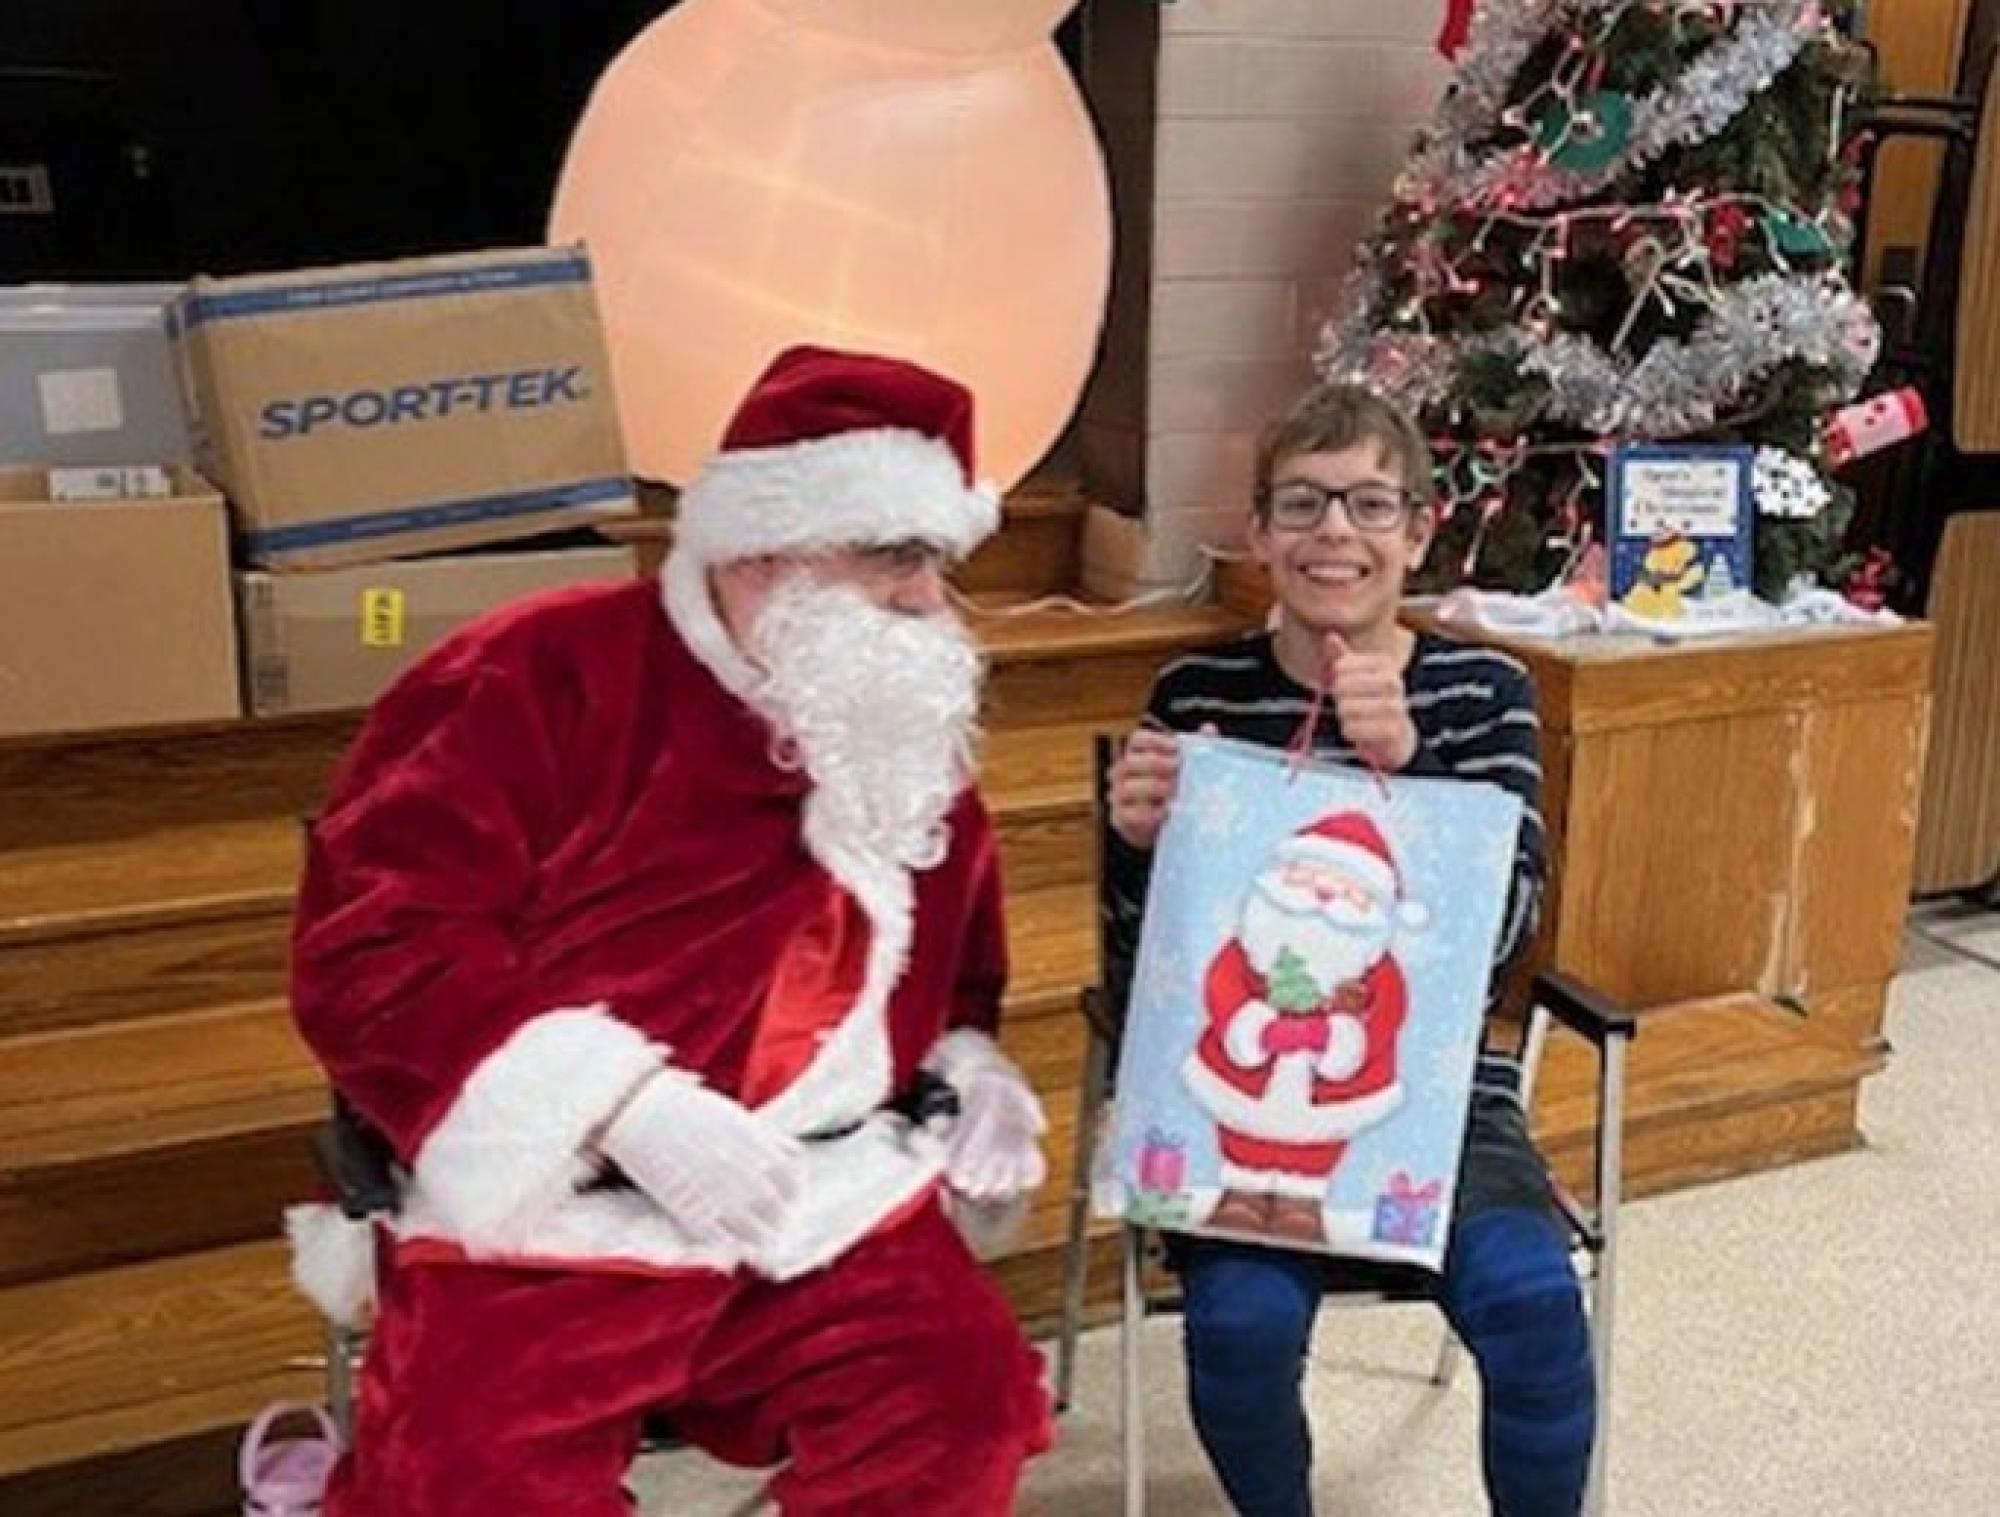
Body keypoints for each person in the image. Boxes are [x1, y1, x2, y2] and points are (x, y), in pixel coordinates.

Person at [286, 345, 1054, 1516]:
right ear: (759, 552)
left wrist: (970, 1074)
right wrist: (621, 1106)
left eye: (935, 561)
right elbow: (373, 951)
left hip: (822, 1197)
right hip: (560, 1213)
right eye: (892, 557)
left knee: (964, 1411)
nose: (925, 601)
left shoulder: (893, 718)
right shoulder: (530, 675)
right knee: (462, 1482)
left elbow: (951, 978)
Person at [1104, 383, 1596, 1517]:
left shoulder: (1485, 690)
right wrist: (1136, 851)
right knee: (1239, 1326)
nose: (1335, 530)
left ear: (1418, 531)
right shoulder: (1195, 694)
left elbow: (1505, 940)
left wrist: (1413, 769)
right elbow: (1152, 969)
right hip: (1232, 1107)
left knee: (1533, 1304)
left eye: (1370, 503)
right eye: (1303, 502)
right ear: (1260, 531)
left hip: (1436, 1093)